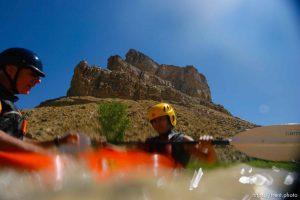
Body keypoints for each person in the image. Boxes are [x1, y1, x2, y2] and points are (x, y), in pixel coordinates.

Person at [0, 47, 79, 152]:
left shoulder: (8, 105)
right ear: (11, 70)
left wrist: (57, 142)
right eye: (33, 74)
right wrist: (36, 152)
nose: (38, 81)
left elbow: (17, 141)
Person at [143, 102, 217, 167]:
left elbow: (210, 161)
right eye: (154, 121)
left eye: (161, 119)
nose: (157, 124)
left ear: (170, 119)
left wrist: (210, 148)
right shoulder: (150, 142)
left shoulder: (184, 140)